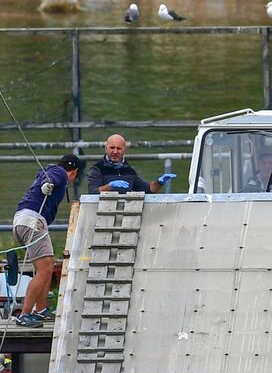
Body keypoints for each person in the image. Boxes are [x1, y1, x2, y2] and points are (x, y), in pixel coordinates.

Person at [13, 154, 82, 328]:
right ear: (74, 172)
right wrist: (46, 185)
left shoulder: (54, 171)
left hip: (23, 221)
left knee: (46, 267)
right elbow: (50, 176)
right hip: (33, 222)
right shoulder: (59, 172)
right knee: (45, 269)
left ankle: (41, 309)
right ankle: (25, 314)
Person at [87, 134, 176, 194]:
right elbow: (92, 192)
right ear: (106, 149)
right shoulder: (97, 169)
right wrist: (109, 186)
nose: (115, 151)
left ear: (124, 151)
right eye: (112, 148)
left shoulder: (129, 171)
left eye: (119, 148)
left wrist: (159, 182)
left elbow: (149, 189)